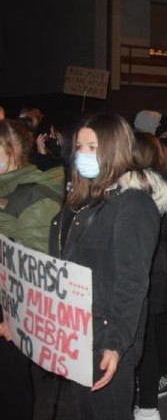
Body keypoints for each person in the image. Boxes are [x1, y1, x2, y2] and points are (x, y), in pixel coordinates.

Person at [49, 113, 166, 418]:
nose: (82, 154)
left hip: (105, 339)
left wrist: (115, 344)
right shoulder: (83, 199)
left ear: (114, 149)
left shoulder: (133, 205)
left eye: (92, 146)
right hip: (76, 331)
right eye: (79, 146)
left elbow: (133, 281)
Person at [0, 119, 65, 420]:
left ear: (12, 150)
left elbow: (41, 266)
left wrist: (17, 316)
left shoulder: (32, 195)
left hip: (13, 314)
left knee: (15, 394)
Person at [132, 133, 167, 420]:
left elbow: (165, 227)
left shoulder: (159, 188)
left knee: (151, 332)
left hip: (155, 268)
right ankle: (164, 377)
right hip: (155, 267)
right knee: (155, 328)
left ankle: (151, 399)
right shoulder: (148, 184)